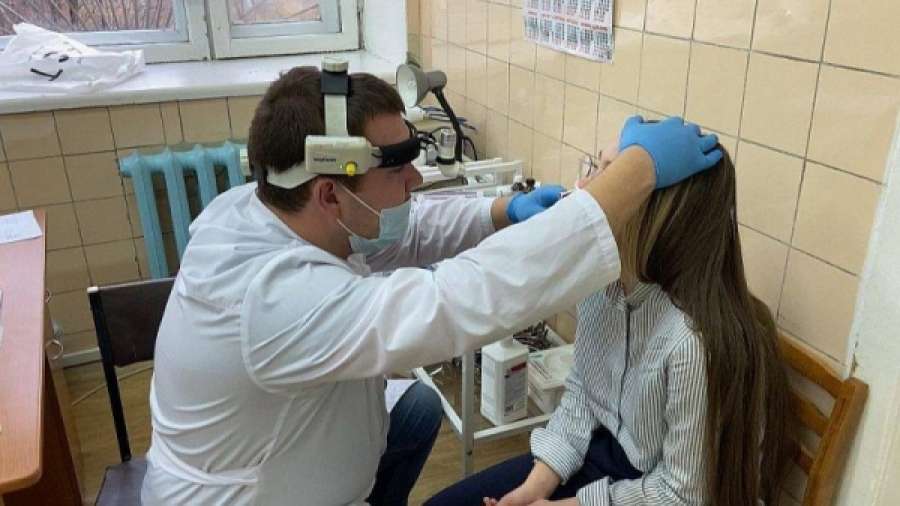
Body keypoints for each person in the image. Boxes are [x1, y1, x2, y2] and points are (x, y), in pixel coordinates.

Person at [140, 63, 723, 506]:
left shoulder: (270, 206)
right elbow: (456, 301)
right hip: (247, 493)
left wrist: (502, 210)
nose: (415, 182)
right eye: (398, 171)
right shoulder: (270, 301)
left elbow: (403, 229)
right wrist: (637, 172)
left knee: (417, 408)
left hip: (296, 439)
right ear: (330, 193)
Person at [425, 143, 790, 506]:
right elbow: (584, 394)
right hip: (612, 455)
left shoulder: (691, 341)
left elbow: (682, 494)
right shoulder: (605, 286)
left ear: (656, 214)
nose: (585, 186)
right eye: (595, 167)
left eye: (609, 173)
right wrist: (533, 490)